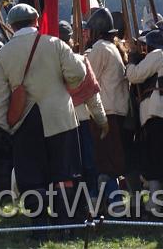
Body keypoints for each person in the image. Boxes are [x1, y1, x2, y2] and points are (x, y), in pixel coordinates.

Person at [0, 4, 86, 234]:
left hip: (24, 121)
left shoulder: (4, 53)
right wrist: (64, 88)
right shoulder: (55, 44)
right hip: (60, 117)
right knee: (64, 173)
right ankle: (66, 225)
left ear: (11, 25)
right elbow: (77, 74)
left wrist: (0, 126)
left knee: (31, 176)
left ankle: (40, 226)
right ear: (35, 21)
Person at [126, 29, 163, 216]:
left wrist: (132, 60)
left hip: (159, 114)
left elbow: (134, 75)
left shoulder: (158, 55)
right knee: (155, 163)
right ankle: (156, 205)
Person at [58, 20, 109, 210]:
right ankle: (90, 202)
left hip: (58, 123)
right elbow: (93, 99)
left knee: (65, 167)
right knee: (87, 165)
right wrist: (103, 121)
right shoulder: (80, 61)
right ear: (70, 39)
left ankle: (68, 207)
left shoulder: (49, 64)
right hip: (80, 121)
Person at [84, 8, 131, 213]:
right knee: (106, 160)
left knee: (105, 162)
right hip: (114, 110)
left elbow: (84, 76)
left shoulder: (101, 48)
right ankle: (108, 204)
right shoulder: (110, 47)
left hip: (107, 112)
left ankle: (114, 205)